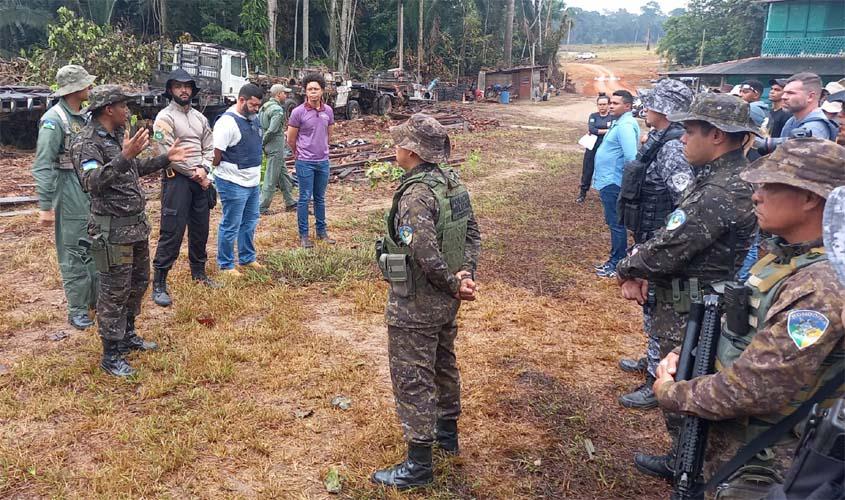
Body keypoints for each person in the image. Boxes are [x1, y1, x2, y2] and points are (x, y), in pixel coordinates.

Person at [654, 138, 845, 498]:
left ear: (809, 198)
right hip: (744, 443)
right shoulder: (784, 257)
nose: (756, 196)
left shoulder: (821, 286)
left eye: (770, 186)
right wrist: (688, 353)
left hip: (771, 460)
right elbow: (742, 331)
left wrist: (671, 392)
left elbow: (756, 389)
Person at [615, 93, 759, 478]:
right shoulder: (721, 179)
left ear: (716, 135)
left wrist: (627, 267)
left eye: (690, 131)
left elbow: (672, 244)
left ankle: (688, 467)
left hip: (693, 306)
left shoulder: (720, 191)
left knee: (682, 382)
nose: (682, 138)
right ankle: (684, 460)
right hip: (691, 297)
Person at [372, 114, 481, 490]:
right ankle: (446, 436)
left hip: (417, 301)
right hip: (445, 302)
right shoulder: (452, 184)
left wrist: (454, 283)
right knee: (443, 364)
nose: (395, 148)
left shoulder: (416, 194)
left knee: (412, 377)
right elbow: (472, 234)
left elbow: (423, 251)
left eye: (400, 142)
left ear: (413, 150)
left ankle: (419, 464)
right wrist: (466, 275)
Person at [70, 85, 189, 377]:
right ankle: (111, 355)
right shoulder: (86, 142)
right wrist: (125, 155)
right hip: (111, 232)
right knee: (113, 293)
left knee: (137, 284)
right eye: (124, 106)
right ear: (108, 109)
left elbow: (133, 168)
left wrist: (165, 158)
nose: (128, 111)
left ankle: (127, 335)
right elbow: (92, 182)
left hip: (134, 228)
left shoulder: (115, 138)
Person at [616, 78, 695, 409]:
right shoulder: (662, 141)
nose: (645, 108)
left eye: (651, 104)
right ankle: (651, 358)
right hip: (651, 236)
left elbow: (684, 203)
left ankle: (656, 378)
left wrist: (659, 247)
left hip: (662, 241)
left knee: (662, 308)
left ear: (665, 109)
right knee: (652, 308)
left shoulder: (674, 148)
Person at [31, 65, 98, 330]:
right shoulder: (54, 119)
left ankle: (95, 301)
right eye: (86, 84)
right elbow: (43, 163)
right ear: (74, 89)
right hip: (68, 193)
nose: (89, 88)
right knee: (74, 252)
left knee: (95, 248)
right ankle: (77, 309)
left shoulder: (84, 117)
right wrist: (45, 205)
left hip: (89, 191)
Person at [150, 69, 218, 307]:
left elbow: (210, 146)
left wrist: (205, 169)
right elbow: (165, 153)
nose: (184, 90)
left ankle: (198, 274)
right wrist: (195, 174)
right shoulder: (164, 118)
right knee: (172, 231)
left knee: (201, 229)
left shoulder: (199, 118)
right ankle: (159, 282)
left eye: (188, 86)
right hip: (177, 180)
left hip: (200, 177)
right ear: (170, 89)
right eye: (178, 86)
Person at [212, 83, 265, 276]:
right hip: (232, 182)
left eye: (258, 105)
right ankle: (226, 265)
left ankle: (247, 258)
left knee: (250, 221)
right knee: (231, 223)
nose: (256, 108)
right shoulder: (227, 123)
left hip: (251, 181)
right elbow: (216, 154)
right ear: (240, 100)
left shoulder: (254, 118)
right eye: (252, 105)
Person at [592, 90, 640, 278]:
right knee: (613, 222)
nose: (611, 106)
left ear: (627, 106)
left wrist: (628, 184)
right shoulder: (619, 123)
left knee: (616, 223)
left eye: (616, 103)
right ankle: (615, 259)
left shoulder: (626, 125)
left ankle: (616, 263)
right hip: (608, 180)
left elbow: (631, 157)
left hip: (614, 181)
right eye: (610, 102)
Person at [287, 73, 336, 248]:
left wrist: (324, 150)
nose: (313, 92)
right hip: (305, 162)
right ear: (305, 91)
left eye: (316, 89)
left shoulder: (328, 111)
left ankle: (322, 232)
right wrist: (298, 153)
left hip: (323, 161)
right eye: (309, 89)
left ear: (322, 91)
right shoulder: (298, 112)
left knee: (320, 198)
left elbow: (329, 134)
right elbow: (291, 138)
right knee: (304, 197)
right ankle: (304, 235)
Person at [757, 73, 838, 154]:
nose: (783, 97)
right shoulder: (792, 120)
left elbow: (803, 164)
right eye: (784, 92)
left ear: (810, 97)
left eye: (790, 93)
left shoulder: (815, 128)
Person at [259, 83, 297, 215]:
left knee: (283, 175)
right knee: (271, 177)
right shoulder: (277, 110)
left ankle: (290, 201)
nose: (286, 96)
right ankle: (262, 206)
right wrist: (263, 141)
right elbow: (272, 130)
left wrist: (262, 143)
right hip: (275, 146)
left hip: (270, 146)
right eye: (284, 93)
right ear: (278, 94)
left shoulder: (264, 107)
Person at [576, 95, 614, 203]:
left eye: (604, 104)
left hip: (606, 147)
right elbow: (591, 129)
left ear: (608, 105)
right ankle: (583, 192)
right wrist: (607, 130)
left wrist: (598, 130)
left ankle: (604, 192)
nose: (602, 107)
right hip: (592, 146)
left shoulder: (612, 117)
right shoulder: (594, 116)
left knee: (606, 169)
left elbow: (613, 129)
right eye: (600, 104)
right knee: (588, 168)